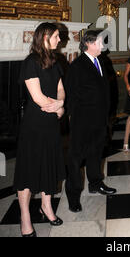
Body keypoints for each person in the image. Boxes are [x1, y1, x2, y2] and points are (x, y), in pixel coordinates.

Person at [14, 22, 65, 237]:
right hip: (34, 126)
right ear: (45, 37)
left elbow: (61, 88)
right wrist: (56, 107)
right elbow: (37, 97)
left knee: (49, 167)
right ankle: (25, 216)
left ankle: (47, 207)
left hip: (51, 124)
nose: (59, 40)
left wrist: (60, 103)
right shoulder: (30, 62)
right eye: (56, 36)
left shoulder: (55, 61)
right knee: (29, 170)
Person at [65, 30, 116, 213]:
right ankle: (73, 196)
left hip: (99, 119)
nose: (103, 45)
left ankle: (95, 183)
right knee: (76, 158)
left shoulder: (101, 61)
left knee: (96, 152)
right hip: (82, 120)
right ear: (89, 43)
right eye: (100, 42)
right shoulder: (77, 66)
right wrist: (72, 119)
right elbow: (71, 95)